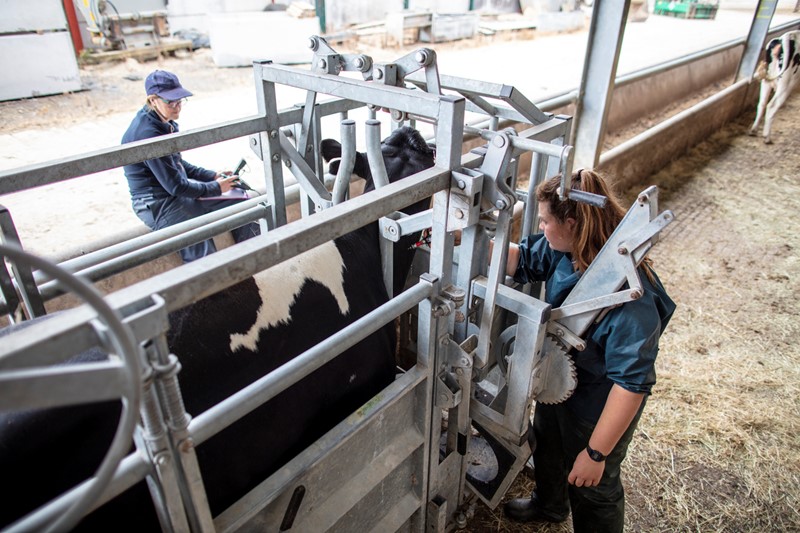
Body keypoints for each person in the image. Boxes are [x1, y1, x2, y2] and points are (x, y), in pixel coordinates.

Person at [502, 169, 675, 532]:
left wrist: (596, 454)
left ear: (570, 222)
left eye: (546, 220)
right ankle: (549, 506)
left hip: (598, 406)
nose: (542, 227)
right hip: (561, 381)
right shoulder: (568, 250)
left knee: (593, 486)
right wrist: (460, 235)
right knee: (547, 446)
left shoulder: (629, 298)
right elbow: (524, 259)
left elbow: (631, 385)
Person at [121, 69, 260, 263]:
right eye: (171, 101)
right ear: (153, 100)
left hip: (176, 192)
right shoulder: (147, 134)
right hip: (158, 203)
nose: (177, 106)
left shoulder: (165, 121)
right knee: (199, 242)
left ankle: (254, 260)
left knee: (240, 200)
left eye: (180, 100)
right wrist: (216, 188)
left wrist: (211, 176)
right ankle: (213, 286)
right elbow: (175, 186)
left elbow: (177, 164)